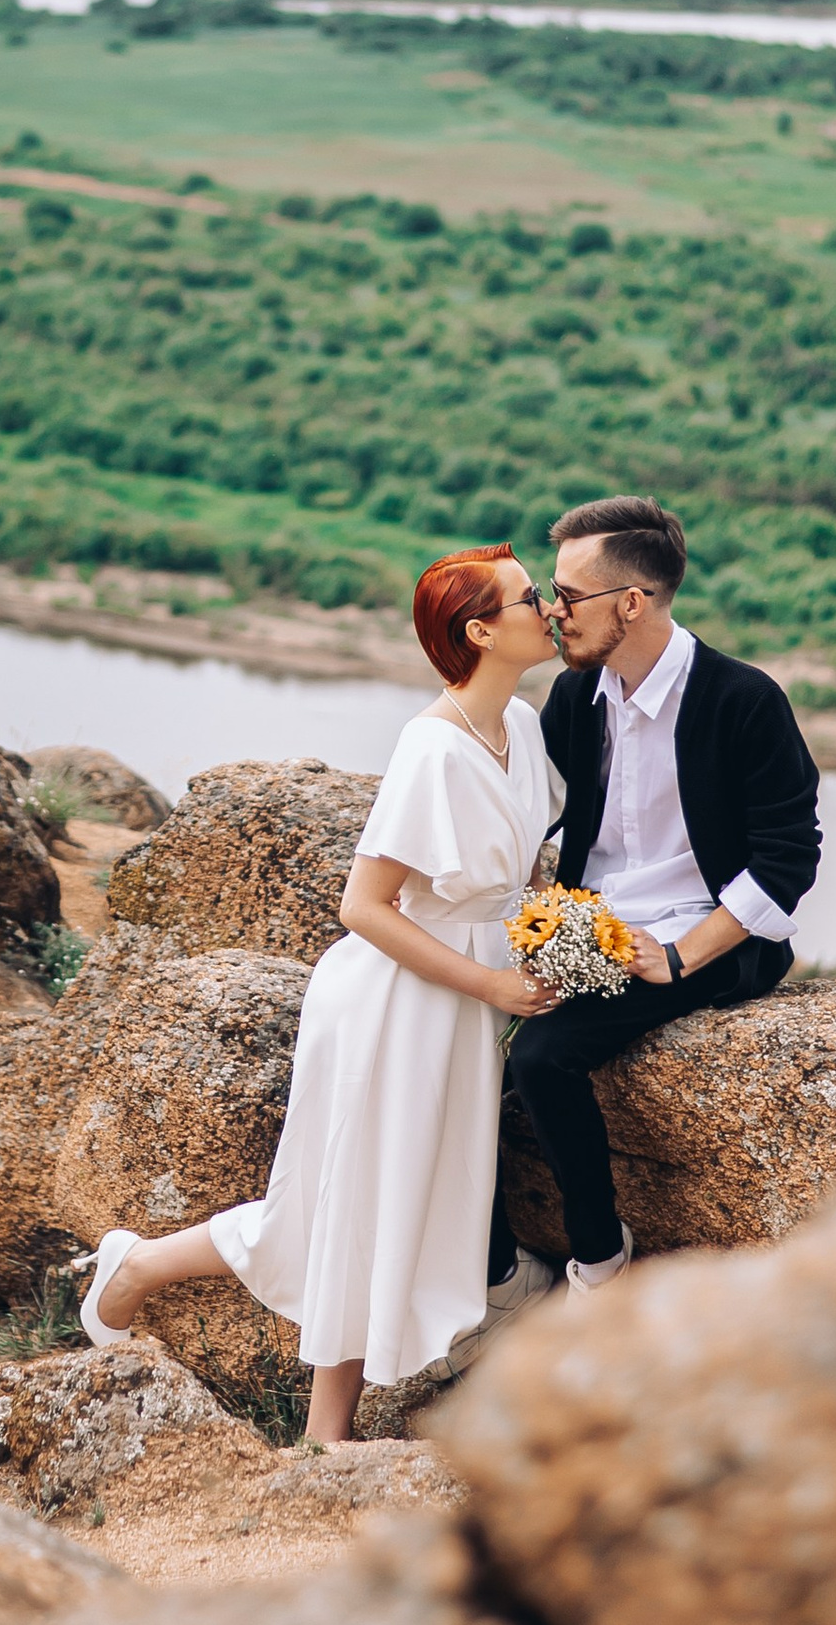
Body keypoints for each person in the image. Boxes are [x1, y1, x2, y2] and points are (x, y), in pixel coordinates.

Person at [75, 545, 562, 1446]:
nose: (552, 606)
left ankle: (148, 1269)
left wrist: (546, 953)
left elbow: (519, 880)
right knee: (351, 1207)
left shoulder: (523, 730)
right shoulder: (430, 748)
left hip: (462, 1004)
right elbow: (362, 907)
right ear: (482, 630)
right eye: (532, 597)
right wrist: (492, 978)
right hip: (393, 1005)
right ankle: (315, 1431)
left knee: (389, 1204)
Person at [491, 492, 820, 1302]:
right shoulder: (575, 697)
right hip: (591, 929)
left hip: (708, 941)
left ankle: (599, 1265)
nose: (553, 612)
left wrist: (678, 958)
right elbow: (540, 815)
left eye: (567, 597)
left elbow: (789, 857)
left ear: (630, 603)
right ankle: (495, 1276)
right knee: (451, 1049)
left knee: (542, 1056)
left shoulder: (743, 700)